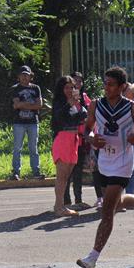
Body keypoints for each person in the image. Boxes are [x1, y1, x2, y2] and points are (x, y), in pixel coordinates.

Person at [76, 66, 134, 268]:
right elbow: (87, 128)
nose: (106, 88)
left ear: (122, 87)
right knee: (114, 203)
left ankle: (92, 258)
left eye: (111, 84)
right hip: (104, 160)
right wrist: (91, 139)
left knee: (107, 210)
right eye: (105, 83)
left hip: (124, 161)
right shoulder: (96, 105)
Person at [50, 75, 85, 217]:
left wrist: (78, 104)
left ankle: (61, 206)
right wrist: (69, 104)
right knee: (61, 176)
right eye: (67, 87)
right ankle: (59, 207)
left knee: (66, 176)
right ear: (61, 89)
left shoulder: (72, 103)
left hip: (74, 139)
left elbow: (81, 116)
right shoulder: (60, 103)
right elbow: (59, 118)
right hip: (63, 139)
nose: (70, 90)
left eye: (72, 87)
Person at [10, 65, 44, 180]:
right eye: (22, 75)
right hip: (18, 122)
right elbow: (16, 105)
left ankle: (36, 171)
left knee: (33, 148)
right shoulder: (15, 88)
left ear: (31, 76)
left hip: (33, 122)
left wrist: (23, 104)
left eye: (27, 75)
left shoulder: (36, 88)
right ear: (18, 76)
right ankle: (15, 172)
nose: (25, 77)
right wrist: (32, 105)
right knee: (17, 148)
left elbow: (39, 105)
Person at [64, 72, 93, 210]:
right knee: (66, 172)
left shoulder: (84, 98)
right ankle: (66, 202)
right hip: (68, 140)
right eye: (75, 82)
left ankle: (78, 200)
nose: (78, 84)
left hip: (81, 140)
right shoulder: (64, 100)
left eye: (80, 81)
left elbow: (89, 115)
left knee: (78, 172)